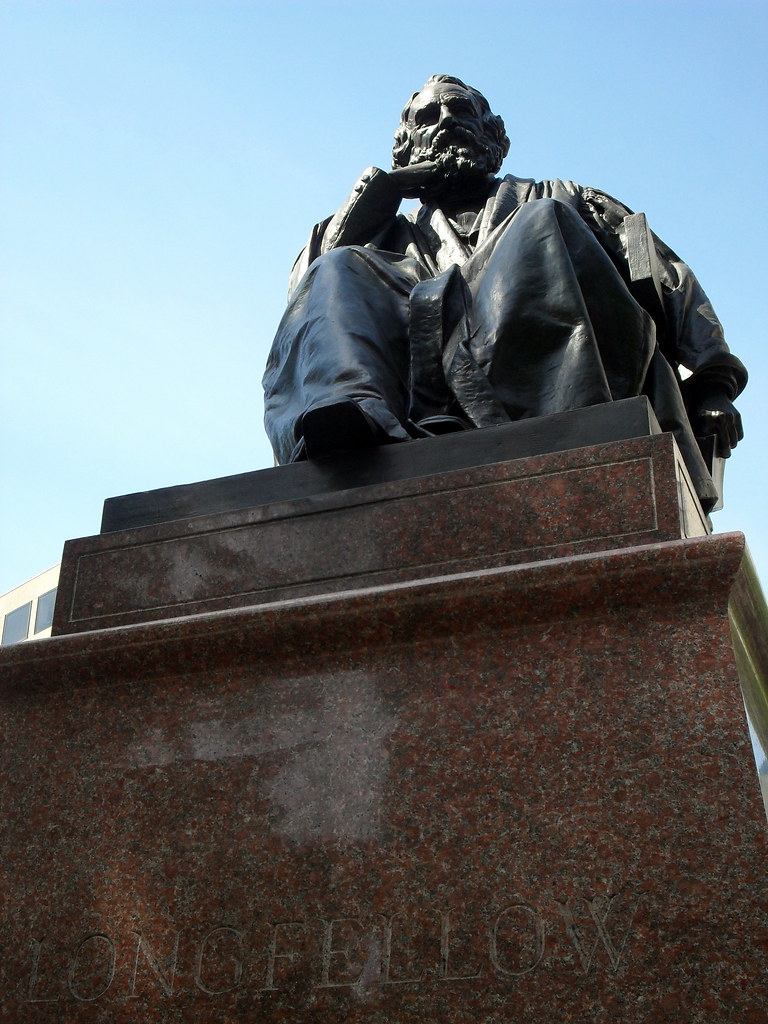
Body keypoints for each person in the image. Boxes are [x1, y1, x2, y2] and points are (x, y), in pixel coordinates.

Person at [263, 75, 745, 511]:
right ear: (406, 149)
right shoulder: (387, 235)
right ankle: (356, 429)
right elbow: (307, 298)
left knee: (541, 223)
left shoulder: (559, 196)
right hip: (418, 393)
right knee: (338, 264)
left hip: (560, 386)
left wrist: (712, 384)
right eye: (429, 118)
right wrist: (379, 196)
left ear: (496, 137)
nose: (447, 123)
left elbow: (665, 275)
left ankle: (566, 441)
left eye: (461, 111)